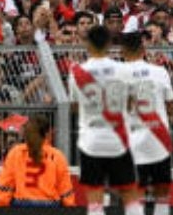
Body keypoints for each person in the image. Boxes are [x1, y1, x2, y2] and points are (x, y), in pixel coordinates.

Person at [68, 25, 143, 215]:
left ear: (87, 44)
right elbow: (132, 102)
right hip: (118, 139)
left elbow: (75, 107)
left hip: (91, 141)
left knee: (95, 198)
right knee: (129, 194)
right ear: (110, 44)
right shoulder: (124, 70)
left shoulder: (76, 73)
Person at [122, 31, 173, 215]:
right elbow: (170, 103)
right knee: (162, 192)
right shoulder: (160, 72)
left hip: (132, 139)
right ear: (143, 48)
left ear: (122, 50)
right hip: (158, 137)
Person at [0, 114, 76, 207]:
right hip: (50, 205)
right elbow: (65, 190)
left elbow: (5, 185)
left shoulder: (16, 152)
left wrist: (1, 205)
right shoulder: (57, 155)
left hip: (21, 204)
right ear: (48, 134)